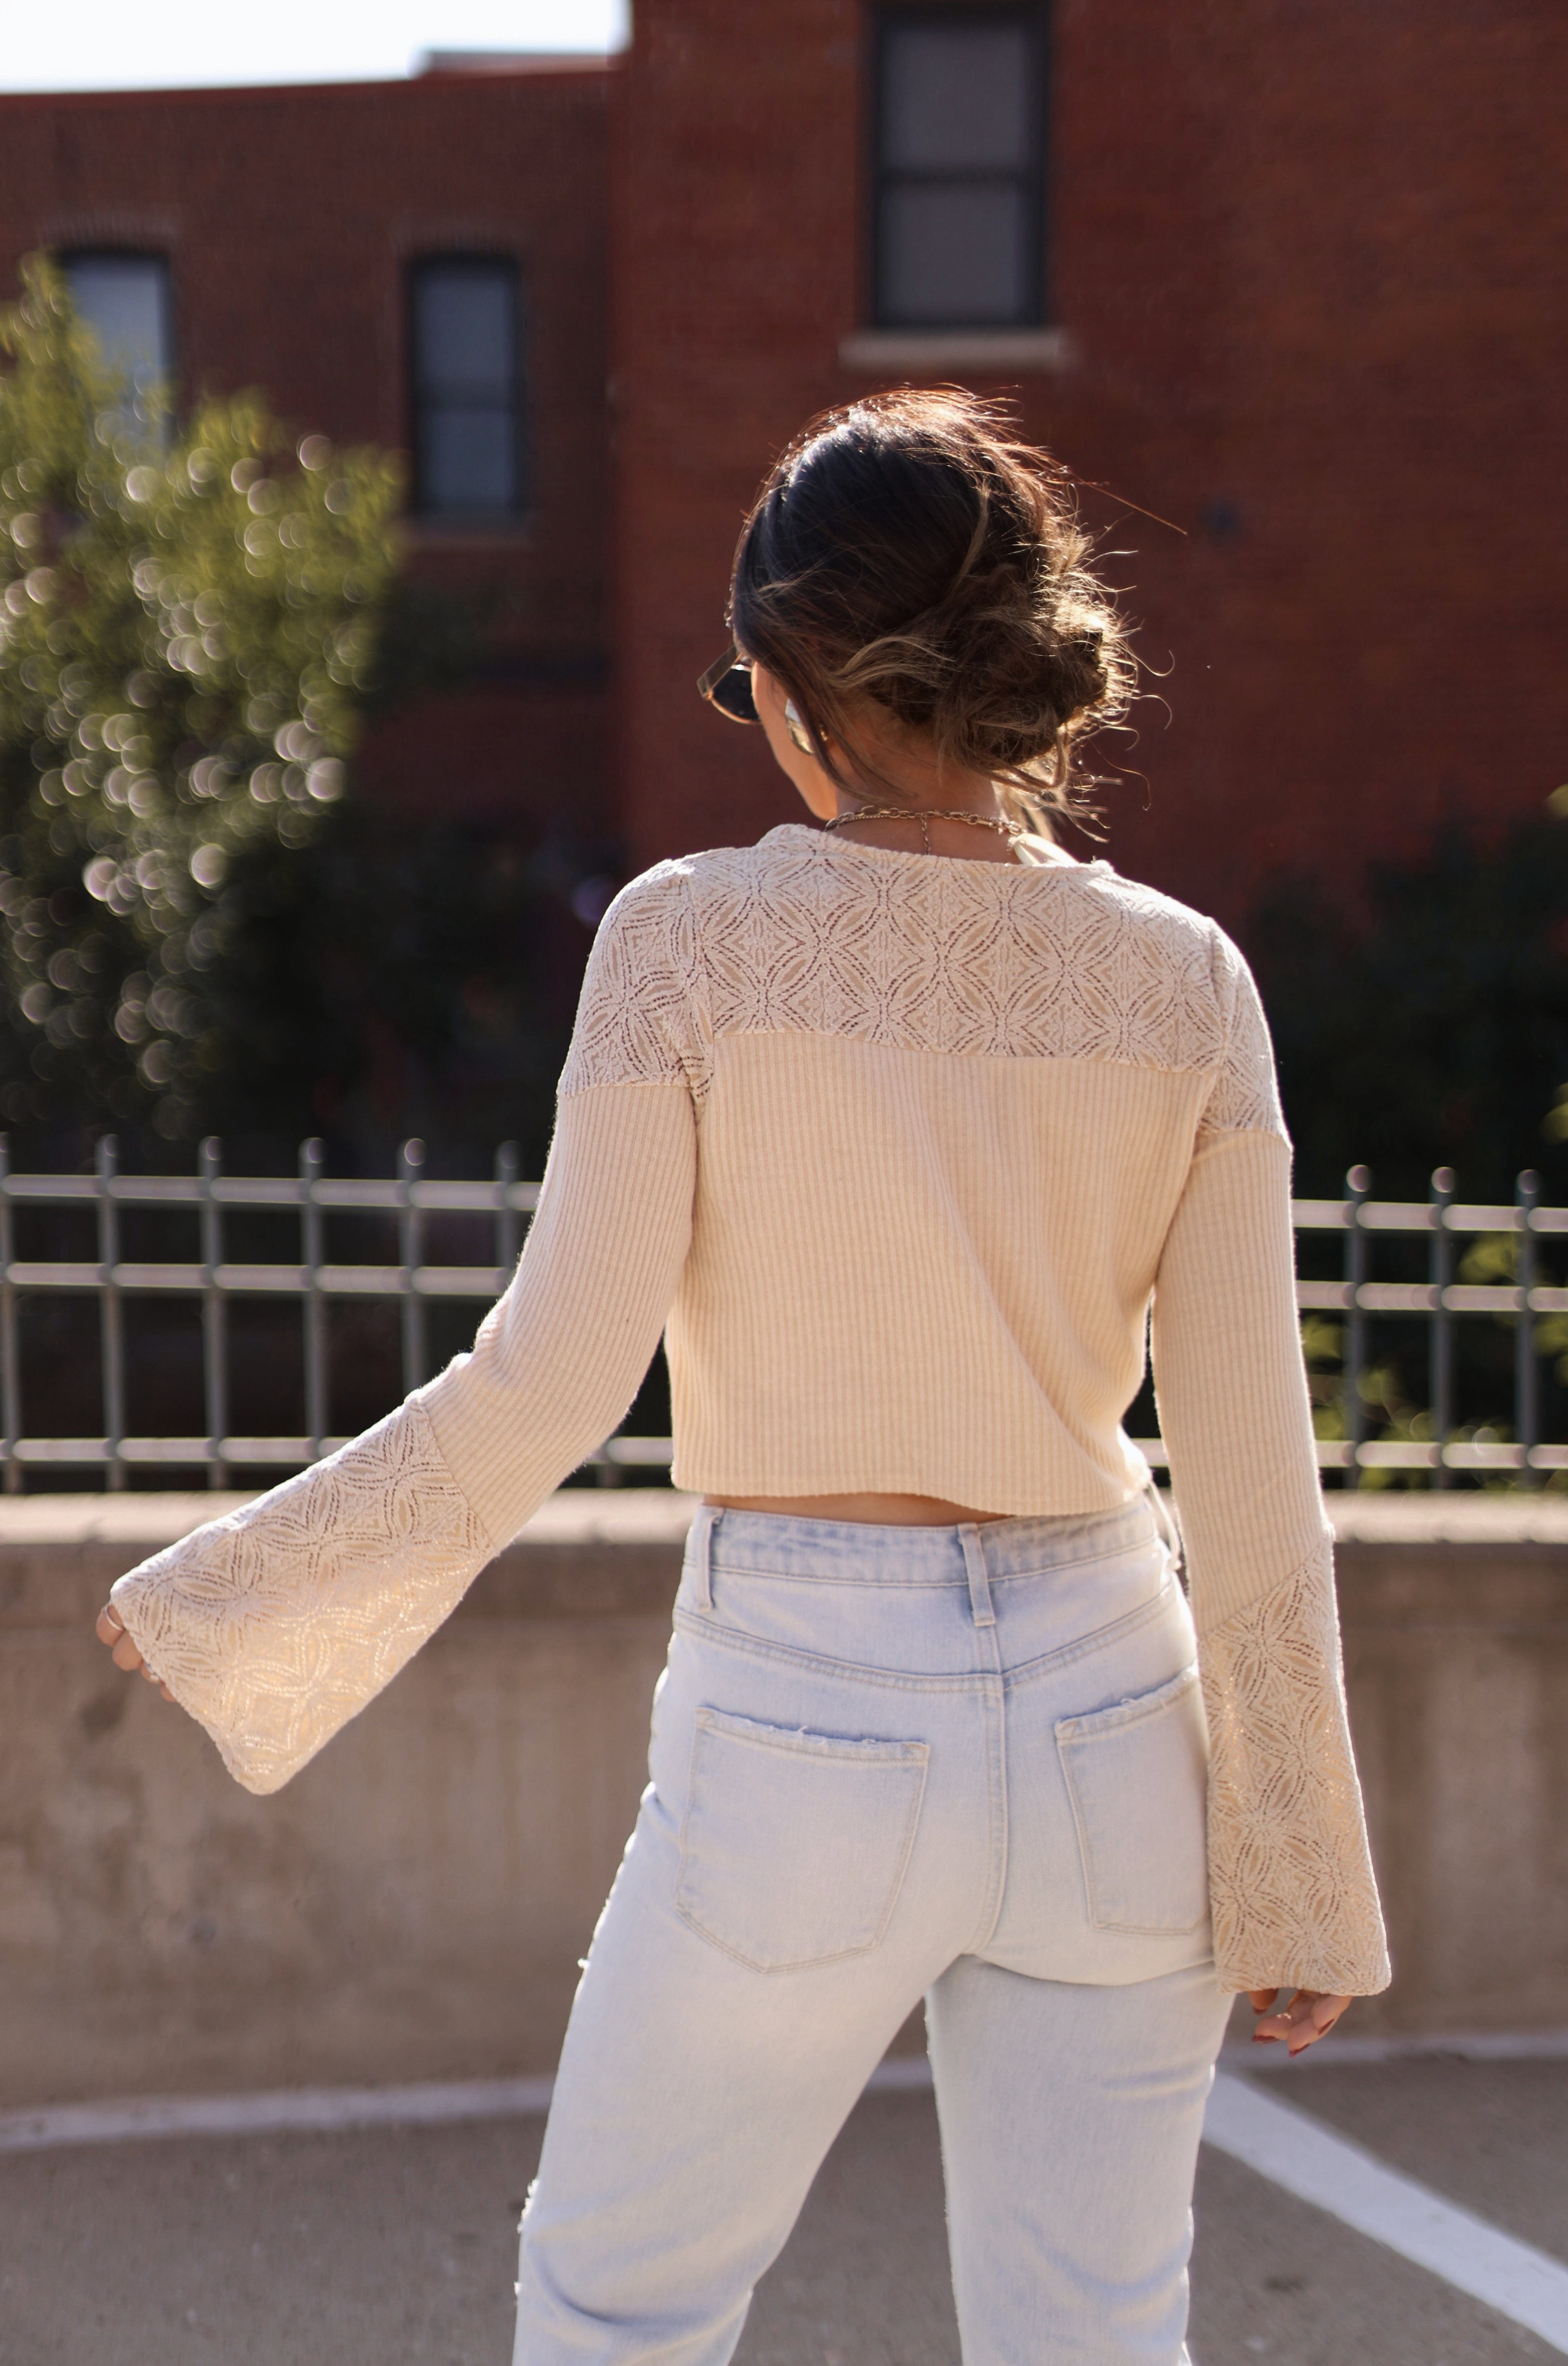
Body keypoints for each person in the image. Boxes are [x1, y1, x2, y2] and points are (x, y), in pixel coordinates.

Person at [98, 389, 1388, 2366]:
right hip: (1118, 1722)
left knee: (623, 2310)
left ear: (796, 686)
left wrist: (231, 1589)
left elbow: (545, 1387)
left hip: (806, 1725)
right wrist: (1305, 1869)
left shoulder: (689, 945)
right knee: (1099, 2336)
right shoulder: (1188, 980)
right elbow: (1250, 1474)